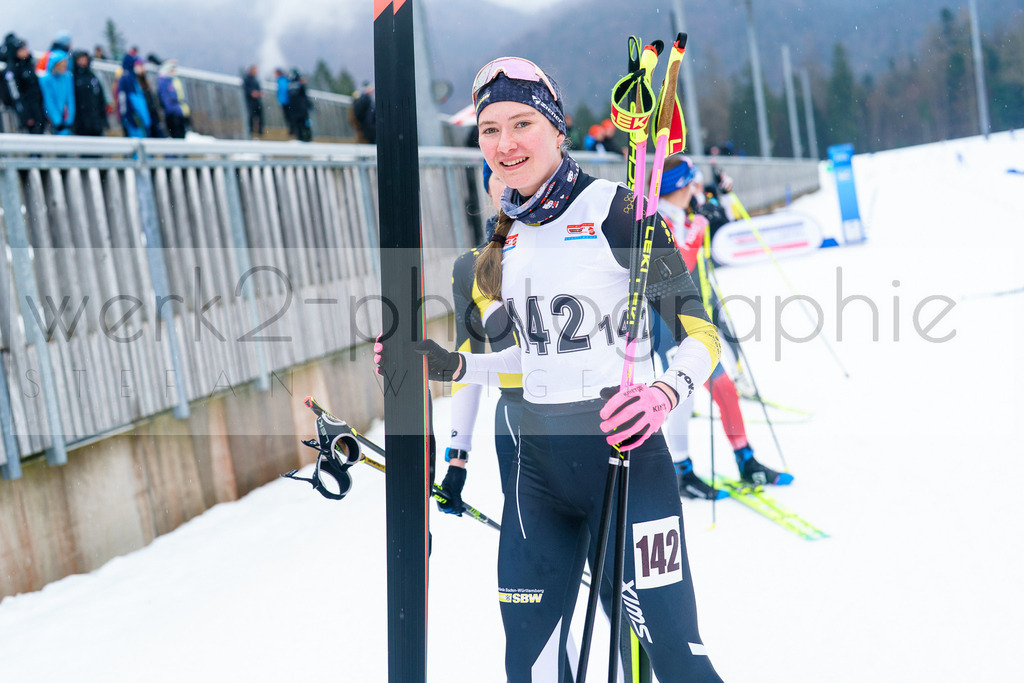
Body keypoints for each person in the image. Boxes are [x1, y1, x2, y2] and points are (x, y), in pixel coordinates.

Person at [377, 58, 724, 682]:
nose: (505, 144)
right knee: (531, 667)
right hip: (535, 475)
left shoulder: (621, 209)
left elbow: (701, 332)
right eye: (489, 129)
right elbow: (526, 361)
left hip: (624, 467)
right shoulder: (502, 238)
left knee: (673, 660)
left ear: (558, 128)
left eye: (522, 123)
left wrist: (664, 394)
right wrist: (449, 363)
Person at [653, 155, 793, 494]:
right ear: (683, 185)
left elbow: (720, 224)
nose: (698, 189)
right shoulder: (656, 219)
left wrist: (710, 212)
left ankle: (746, 461)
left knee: (725, 391)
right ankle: (682, 470)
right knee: (683, 397)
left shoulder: (686, 214)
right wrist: (697, 230)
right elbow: (679, 262)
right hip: (667, 323)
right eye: (694, 182)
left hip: (694, 318)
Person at [435, 163, 522, 517]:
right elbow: (466, 356)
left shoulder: (574, 242)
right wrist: (458, 458)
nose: (510, 184)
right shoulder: (470, 267)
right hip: (518, 418)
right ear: (488, 189)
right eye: (500, 176)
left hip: (587, 412)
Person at [1, 34, 46, 134]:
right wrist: (26, 116)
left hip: (38, 108)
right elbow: (16, 95)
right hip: (28, 111)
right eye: (22, 49)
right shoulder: (12, 70)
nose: (26, 51)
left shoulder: (29, 65)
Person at [71, 50, 109, 136]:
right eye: (80, 59)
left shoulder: (92, 77)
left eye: (85, 59)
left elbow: (100, 99)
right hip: (80, 122)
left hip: (95, 121)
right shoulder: (73, 77)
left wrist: (103, 120)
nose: (83, 62)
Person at [39, 49, 75, 134]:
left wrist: (69, 119)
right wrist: (56, 120)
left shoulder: (67, 77)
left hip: (65, 119)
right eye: (61, 65)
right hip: (52, 121)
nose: (64, 67)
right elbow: (48, 100)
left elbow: (70, 98)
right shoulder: (45, 79)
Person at [117, 54, 151, 138]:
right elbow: (133, 100)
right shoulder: (128, 78)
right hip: (135, 117)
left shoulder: (130, 78)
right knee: (138, 141)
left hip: (135, 117)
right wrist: (128, 117)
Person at [157, 60, 190, 138]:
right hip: (173, 114)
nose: (173, 72)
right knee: (177, 135)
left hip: (180, 112)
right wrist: (175, 111)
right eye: (171, 70)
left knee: (182, 134)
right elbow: (166, 100)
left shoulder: (174, 80)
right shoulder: (164, 82)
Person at [287, 69, 312, 142]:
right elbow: (304, 97)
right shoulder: (300, 85)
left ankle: (300, 138)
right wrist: (308, 106)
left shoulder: (289, 85)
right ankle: (307, 139)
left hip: (293, 110)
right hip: (302, 110)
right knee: (305, 125)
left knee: (298, 126)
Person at [242, 65, 263, 137]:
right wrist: (252, 93)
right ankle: (251, 131)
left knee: (260, 115)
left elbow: (258, 88)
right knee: (251, 115)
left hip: (257, 101)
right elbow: (245, 88)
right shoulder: (247, 78)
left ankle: (260, 131)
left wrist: (259, 93)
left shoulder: (255, 79)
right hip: (250, 101)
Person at [275, 68, 292, 136]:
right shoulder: (283, 80)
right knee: (288, 117)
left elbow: (283, 91)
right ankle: (291, 129)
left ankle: (292, 130)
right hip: (284, 101)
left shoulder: (282, 80)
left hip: (286, 101)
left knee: (289, 117)